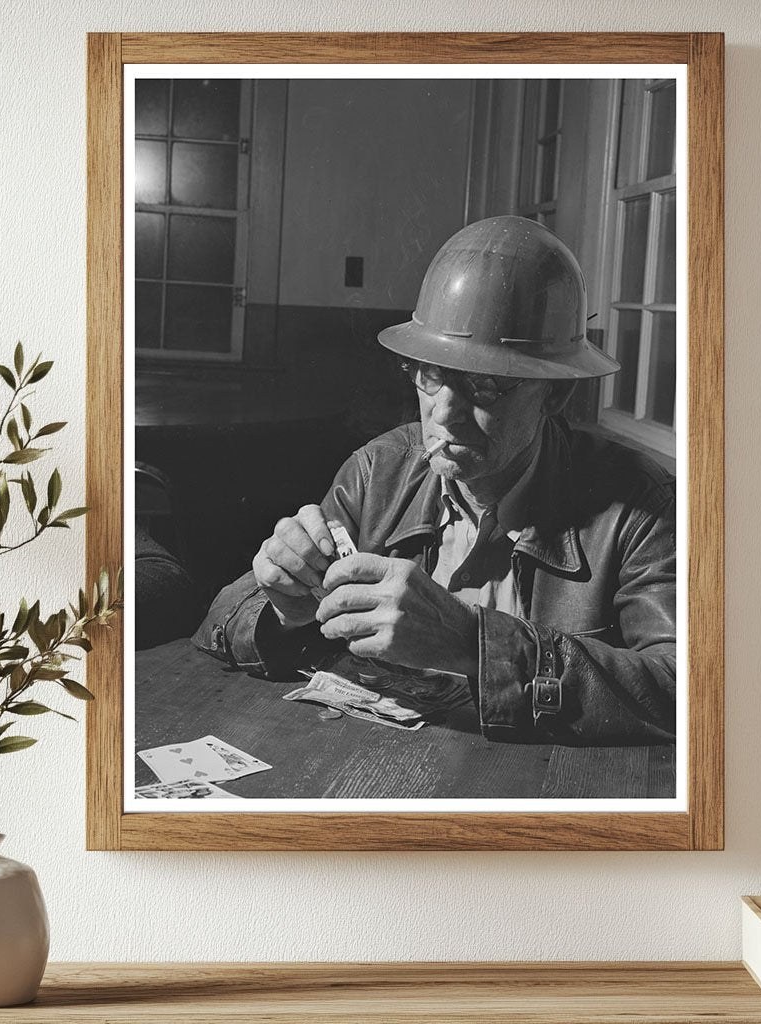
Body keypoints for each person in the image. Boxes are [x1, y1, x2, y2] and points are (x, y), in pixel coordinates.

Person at [193, 216, 676, 745]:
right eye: (430, 375)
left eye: (486, 385)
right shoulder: (378, 472)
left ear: (555, 394)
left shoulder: (639, 505)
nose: (445, 413)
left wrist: (473, 642)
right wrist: (284, 609)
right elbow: (221, 622)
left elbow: (686, 690)